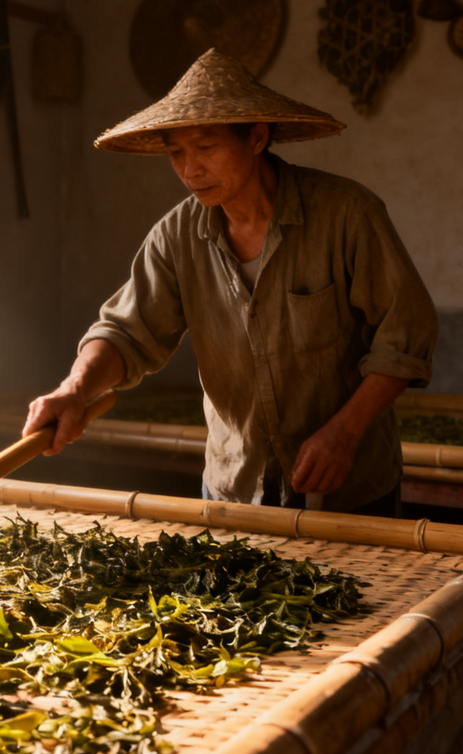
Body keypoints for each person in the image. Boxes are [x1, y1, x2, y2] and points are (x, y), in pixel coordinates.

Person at [23, 49, 438, 515]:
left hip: (351, 487)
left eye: (205, 148)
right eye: (176, 153)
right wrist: (73, 390)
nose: (190, 170)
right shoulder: (176, 237)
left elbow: (405, 334)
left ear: (257, 138)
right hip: (234, 488)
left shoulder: (347, 215)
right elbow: (125, 334)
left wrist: (345, 431)